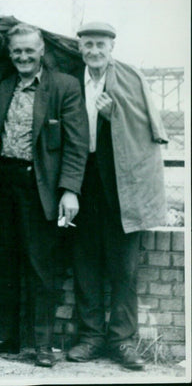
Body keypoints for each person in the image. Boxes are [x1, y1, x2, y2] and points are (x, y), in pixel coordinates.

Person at [0, 20, 88, 368]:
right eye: (16, 51)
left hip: (41, 186)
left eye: (29, 50)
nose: (23, 57)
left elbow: (76, 146)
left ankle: (43, 344)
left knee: (40, 265)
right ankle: (6, 335)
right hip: (2, 181)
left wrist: (70, 191)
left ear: (41, 51)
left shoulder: (64, 86)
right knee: (1, 260)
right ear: (9, 53)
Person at [66, 21, 167, 371]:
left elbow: (146, 129)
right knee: (85, 262)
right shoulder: (71, 78)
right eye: (88, 44)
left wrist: (114, 116)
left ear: (112, 47)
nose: (94, 51)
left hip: (123, 180)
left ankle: (122, 340)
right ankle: (90, 337)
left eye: (100, 45)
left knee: (124, 267)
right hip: (84, 180)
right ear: (80, 48)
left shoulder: (130, 78)